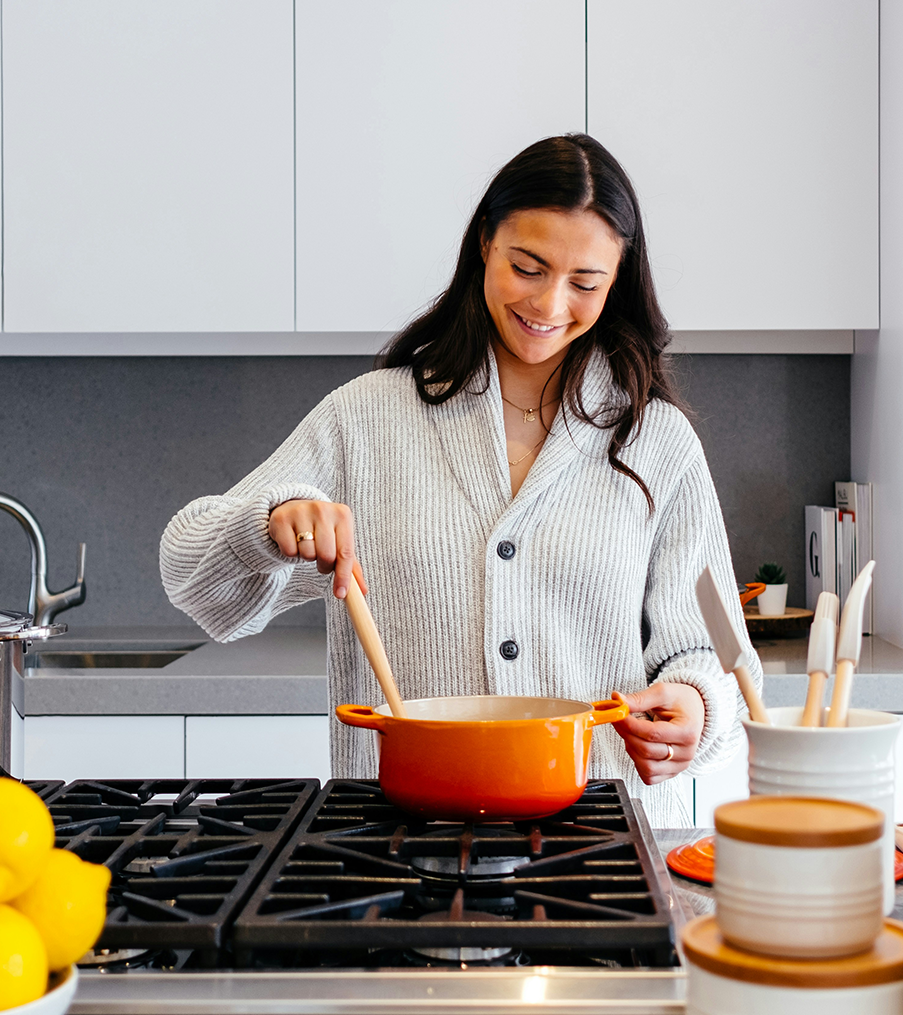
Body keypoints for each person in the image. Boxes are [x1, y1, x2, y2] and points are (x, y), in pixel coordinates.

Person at [159, 133, 761, 827]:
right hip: (393, 847)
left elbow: (714, 655)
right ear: (484, 243)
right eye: (527, 266)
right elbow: (191, 577)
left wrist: (692, 705)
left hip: (596, 848)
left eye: (584, 282)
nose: (550, 303)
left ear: (617, 280)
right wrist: (268, 524)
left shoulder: (656, 440)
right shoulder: (369, 418)